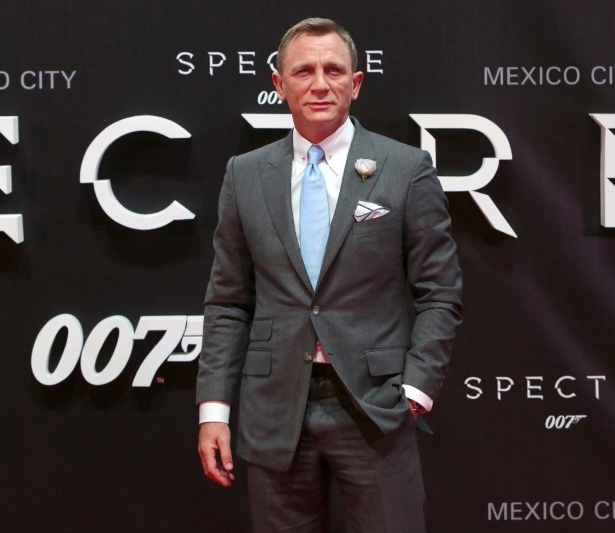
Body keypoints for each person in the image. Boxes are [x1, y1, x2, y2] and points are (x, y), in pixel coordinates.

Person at [196, 17, 462, 533]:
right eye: (304, 71)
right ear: (279, 84)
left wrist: (417, 389)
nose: (320, 83)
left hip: (376, 408)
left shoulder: (405, 168)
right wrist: (213, 410)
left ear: (355, 83)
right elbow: (228, 301)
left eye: (334, 70)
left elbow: (440, 291)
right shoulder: (245, 174)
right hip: (275, 410)